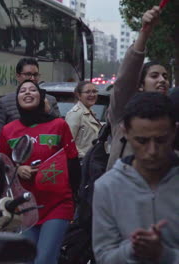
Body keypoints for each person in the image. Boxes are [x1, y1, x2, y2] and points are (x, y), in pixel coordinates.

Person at [0, 80, 80, 264]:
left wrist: (76, 196)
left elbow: (73, 162)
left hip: (58, 204)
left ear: (41, 96)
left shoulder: (59, 125)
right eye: (23, 91)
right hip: (25, 207)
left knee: (44, 260)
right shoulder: (8, 131)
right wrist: (17, 169)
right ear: (17, 99)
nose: (27, 93)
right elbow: (1, 164)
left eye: (33, 90)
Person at [92, 92, 179, 264]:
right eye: (142, 141)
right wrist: (133, 249)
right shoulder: (107, 187)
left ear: (174, 132)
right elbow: (103, 256)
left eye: (161, 140)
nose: (152, 151)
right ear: (125, 132)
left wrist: (164, 254)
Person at [107, 6, 171, 170]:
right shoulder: (123, 111)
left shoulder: (172, 113)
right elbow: (125, 80)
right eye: (154, 76)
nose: (162, 80)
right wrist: (145, 33)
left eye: (165, 76)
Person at [0, 58, 60, 151]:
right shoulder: (6, 102)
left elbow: (60, 129)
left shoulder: (50, 100)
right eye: (28, 74)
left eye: (35, 75)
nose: (32, 78)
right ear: (18, 76)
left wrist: (49, 111)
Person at [65, 81, 102, 158]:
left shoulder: (91, 113)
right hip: (81, 163)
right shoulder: (75, 114)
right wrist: (83, 157)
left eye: (94, 91)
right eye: (88, 92)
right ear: (79, 95)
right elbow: (68, 143)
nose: (92, 95)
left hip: (92, 161)